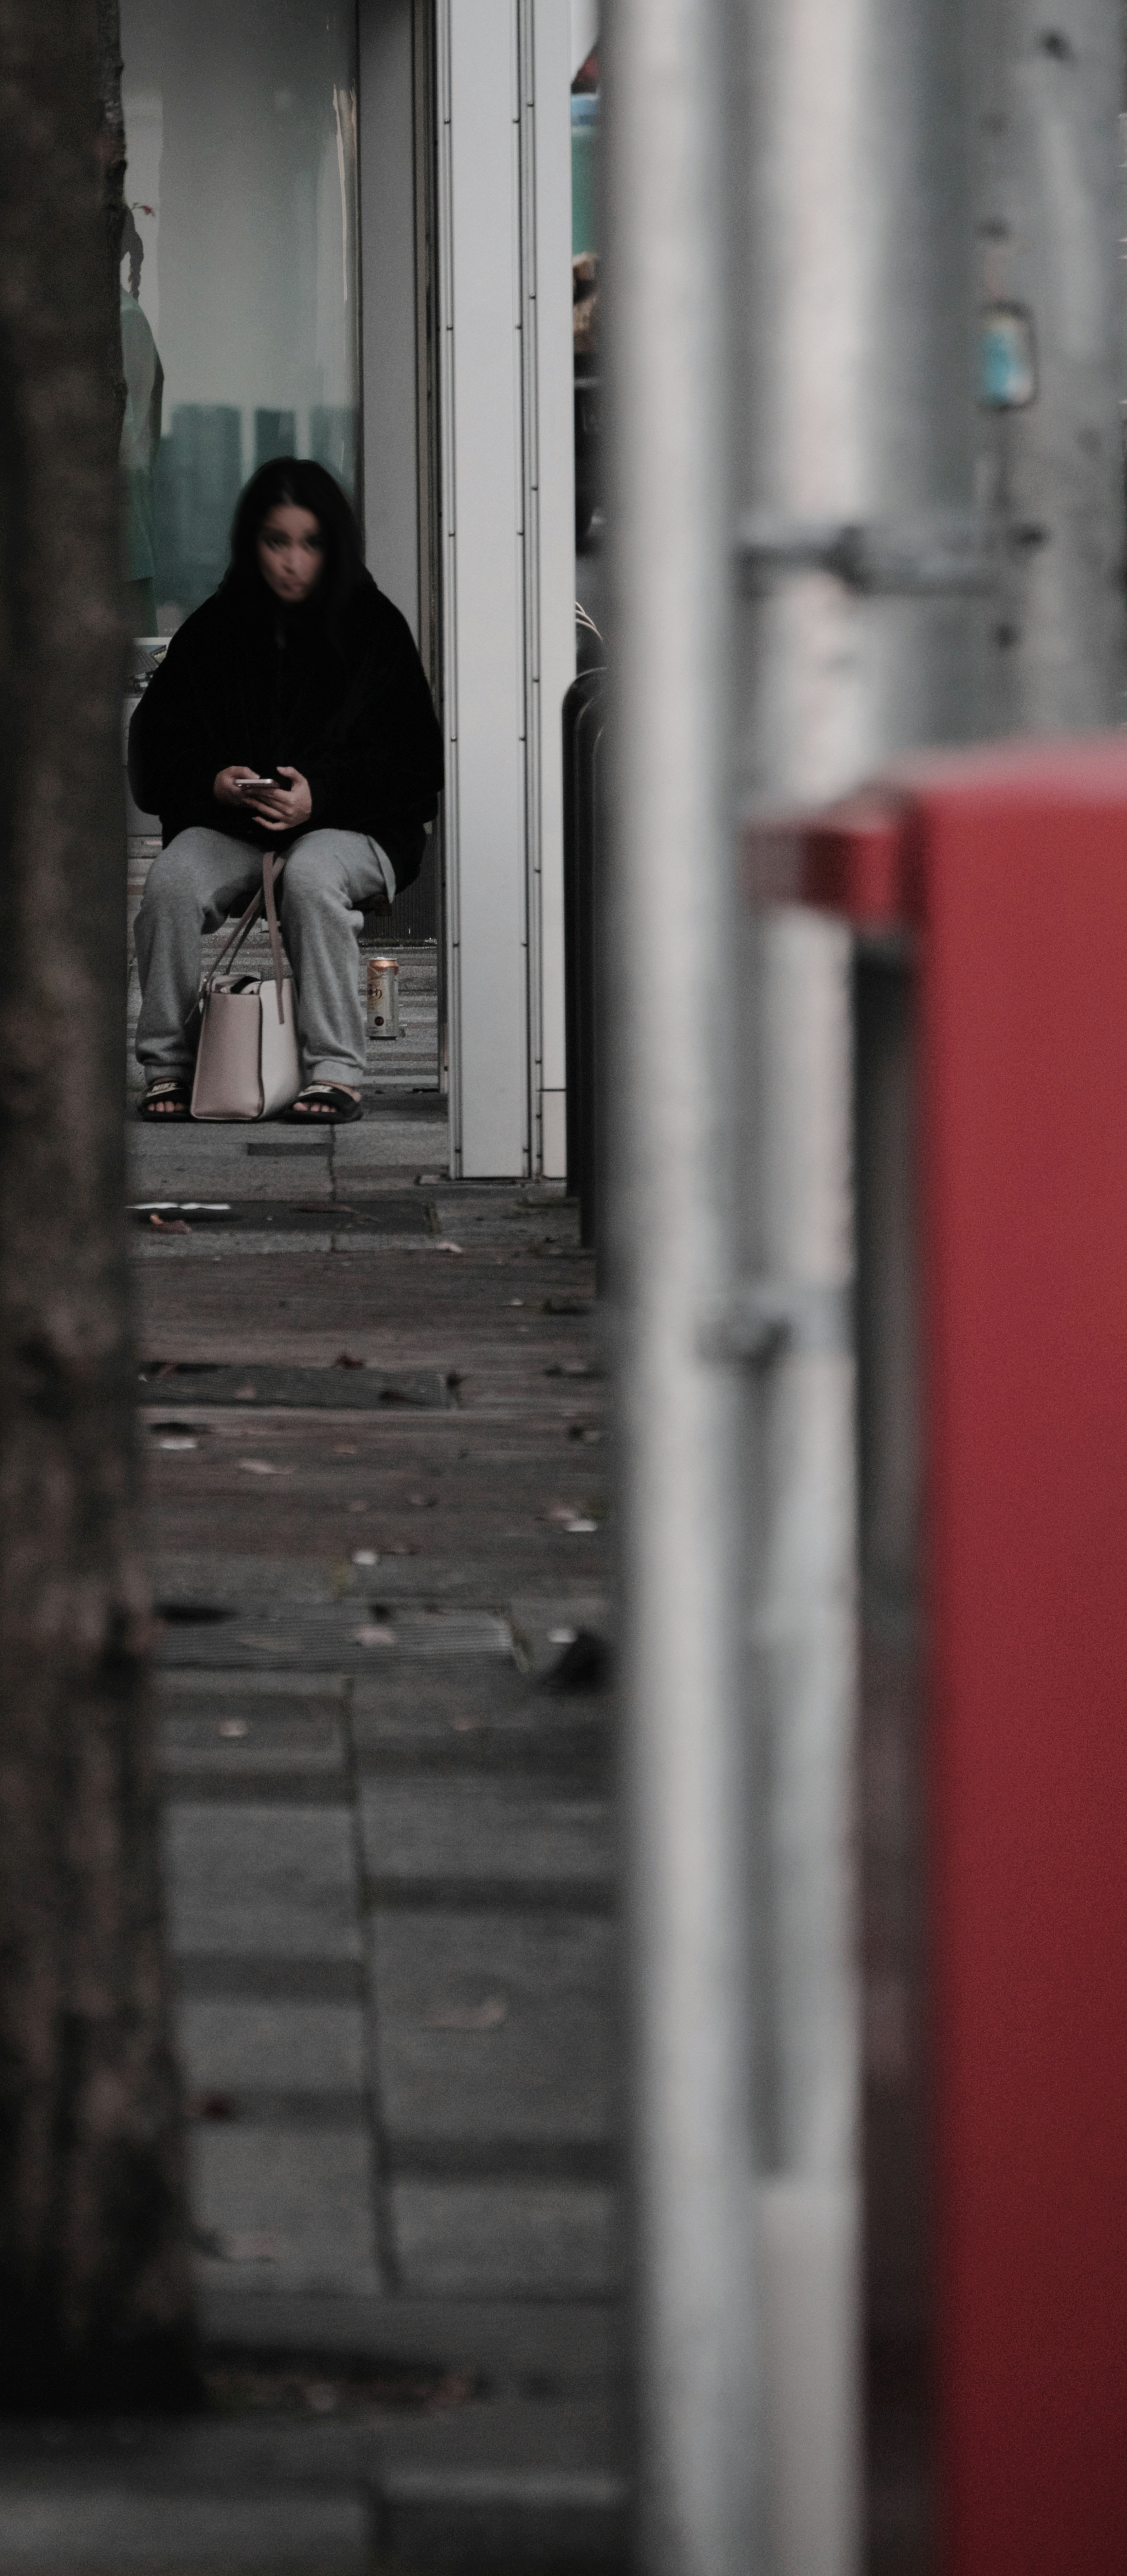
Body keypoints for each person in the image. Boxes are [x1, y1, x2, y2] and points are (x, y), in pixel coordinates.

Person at [129, 457, 443, 1122]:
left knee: (310, 873)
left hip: (358, 829)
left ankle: (336, 1073)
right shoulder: (216, 628)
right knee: (173, 883)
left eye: (311, 543)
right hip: (237, 827)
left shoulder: (374, 628)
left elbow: (415, 767)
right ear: (253, 544)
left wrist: (319, 797)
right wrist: (215, 784)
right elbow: (157, 753)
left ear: (335, 546)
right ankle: (168, 1068)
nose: (292, 562)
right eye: (277, 542)